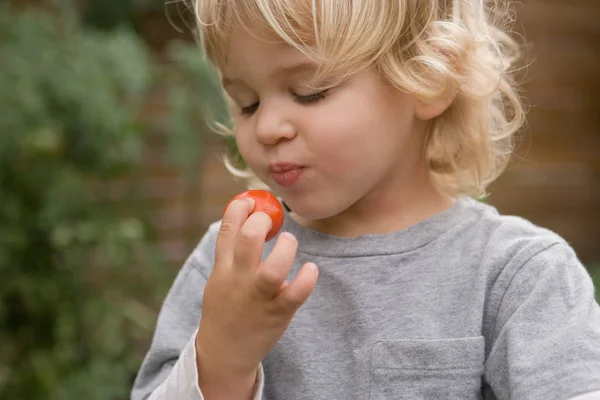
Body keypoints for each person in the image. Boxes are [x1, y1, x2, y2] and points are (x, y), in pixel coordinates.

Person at [131, 0, 600, 399]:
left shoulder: (518, 275)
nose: (268, 127)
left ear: (430, 76)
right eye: (247, 102)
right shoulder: (232, 265)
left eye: (309, 91)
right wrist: (220, 358)